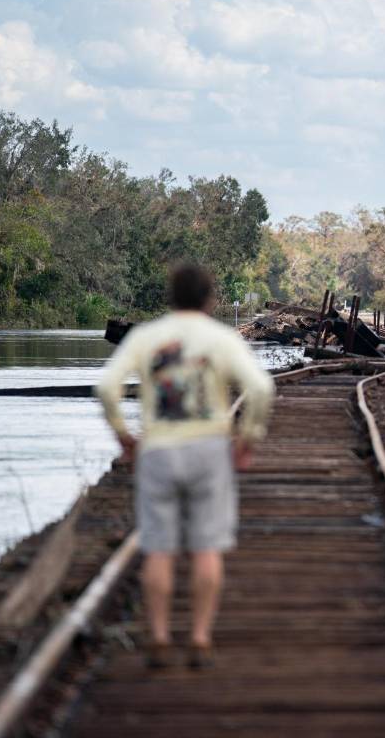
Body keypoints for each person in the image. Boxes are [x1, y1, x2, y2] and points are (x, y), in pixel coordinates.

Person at [95, 262, 274, 669]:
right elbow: (261, 388)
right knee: (206, 547)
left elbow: (106, 387)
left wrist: (124, 436)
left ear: (170, 296)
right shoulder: (220, 338)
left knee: (158, 547)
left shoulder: (146, 336)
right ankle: (198, 638)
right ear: (210, 298)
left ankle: (158, 638)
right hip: (209, 449)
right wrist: (248, 440)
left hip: (157, 449)